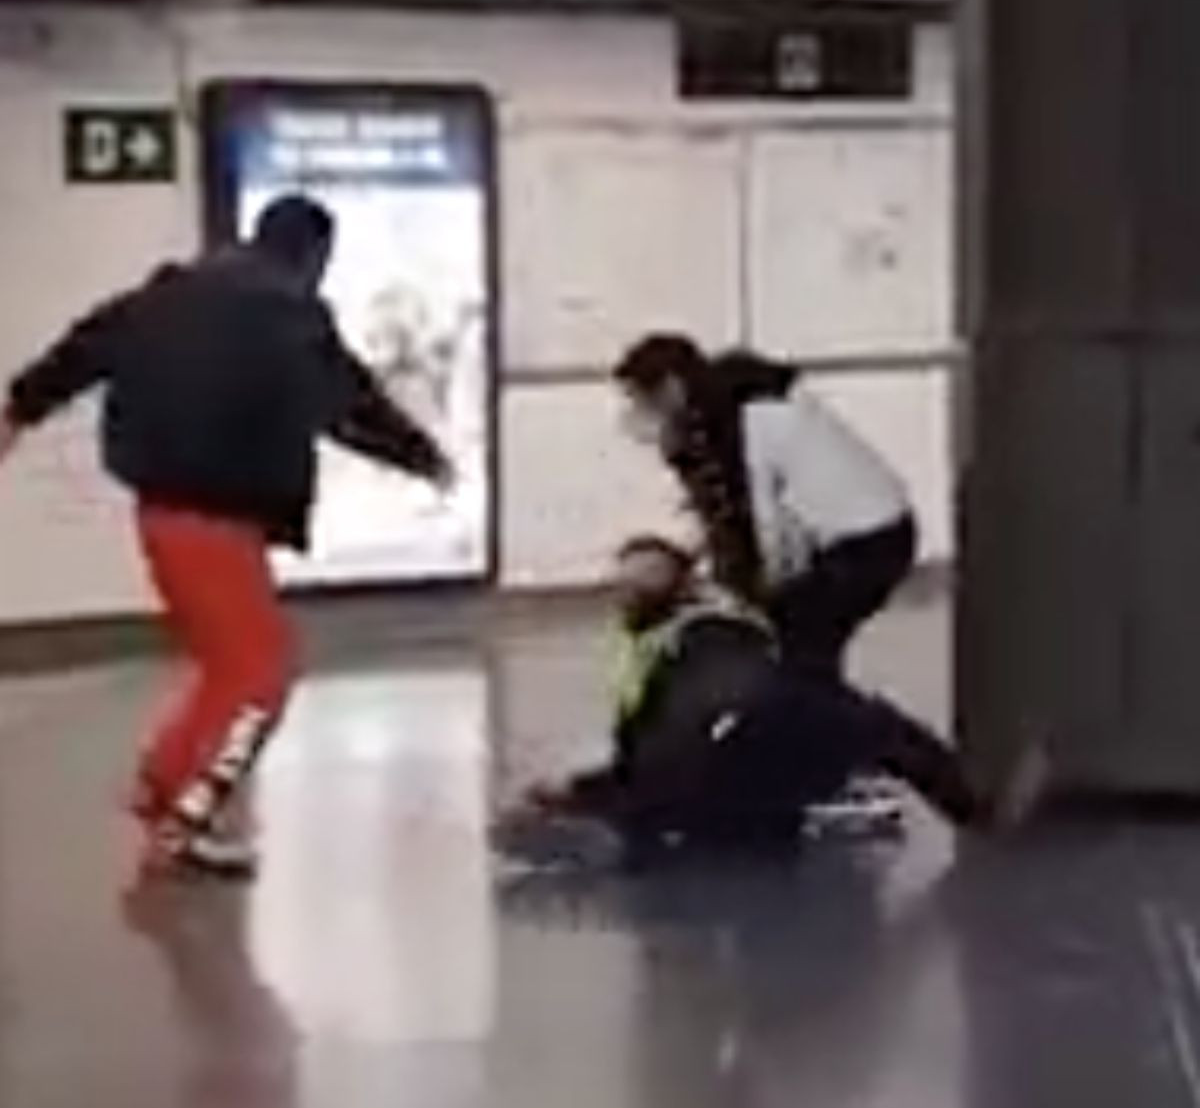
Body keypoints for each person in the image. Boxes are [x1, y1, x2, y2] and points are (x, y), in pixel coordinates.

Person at [0, 195, 453, 878]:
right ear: (315, 255)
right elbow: (350, 404)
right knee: (261, 675)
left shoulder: (166, 294)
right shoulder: (294, 317)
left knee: (228, 665)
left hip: (160, 509)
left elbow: (84, 347)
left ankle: (159, 784)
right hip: (218, 519)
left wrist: (19, 408)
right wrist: (421, 456)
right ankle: (185, 820)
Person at [495, 537, 1030, 870]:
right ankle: (965, 810)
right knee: (875, 734)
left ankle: (634, 833)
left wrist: (589, 791)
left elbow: (663, 744)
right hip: (792, 726)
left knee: (693, 804)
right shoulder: (712, 624)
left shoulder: (682, 643)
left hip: (736, 751)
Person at [614, 334, 915, 679]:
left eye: (642, 400)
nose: (639, 414)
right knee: (797, 644)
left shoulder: (749, 418)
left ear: (671, 388)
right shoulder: (727, 409)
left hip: (865, 538)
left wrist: (745, 597)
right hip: (870, 529)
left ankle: (836, 723)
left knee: (795, 645)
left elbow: (766, 525)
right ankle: (822, 715)